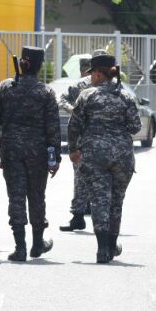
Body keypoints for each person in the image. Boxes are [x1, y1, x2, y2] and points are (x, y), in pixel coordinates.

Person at [68, 52, 140, 264]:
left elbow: (74, 125)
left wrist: (74, 150)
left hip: (94, 155)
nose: (90, 77)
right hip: (122, 157)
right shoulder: (125, 96)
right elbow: (136, 127)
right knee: (116, 201)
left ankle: (101, 249)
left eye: (92, 73)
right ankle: (111, 246)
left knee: (99, 200)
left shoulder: (87, 96)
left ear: (99, 74)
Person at [0, 46, 61, 262]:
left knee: (16, 197)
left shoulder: (5, 88)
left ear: (21, 63)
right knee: (36, 197)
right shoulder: (46, 92)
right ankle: (37, 244)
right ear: (40, 67)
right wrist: (54, 158)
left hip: (11, 150)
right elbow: (53, 129)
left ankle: (20, 247)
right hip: (38, 152)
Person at [59, 54, 97, 232]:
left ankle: (90, 216)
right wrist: (74, 110)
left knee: (92, 179)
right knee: (82, 177)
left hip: (95, 139)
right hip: (85, 137)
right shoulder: (81, 84)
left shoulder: (113, 85)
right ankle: (79, 216)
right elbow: (63, 99)